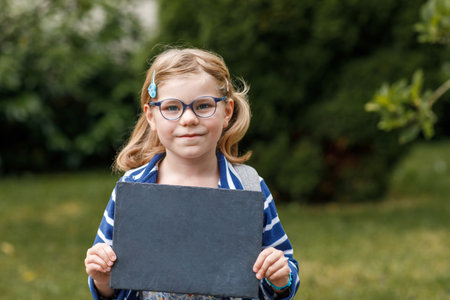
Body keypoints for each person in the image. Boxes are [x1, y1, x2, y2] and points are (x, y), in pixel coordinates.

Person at [84, 47, 300, 300]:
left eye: (203, 105)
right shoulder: (131, 188)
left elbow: (282, 274)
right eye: (172, 108)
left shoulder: (249, 186)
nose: (188, 118)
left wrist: (279, 277)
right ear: (151, 115)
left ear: (227, 111)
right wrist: (102, 278)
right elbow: (115, 285)